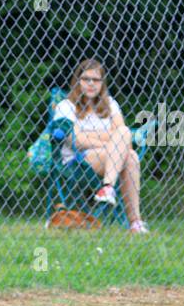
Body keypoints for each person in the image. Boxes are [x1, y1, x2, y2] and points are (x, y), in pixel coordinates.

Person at [53, 59, 148, 234]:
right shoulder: (65, 106)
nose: (91, 83)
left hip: (110, 159)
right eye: (86, 78)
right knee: (128, 152)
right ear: (78, 81)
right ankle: (129, 215)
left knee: (131, 153)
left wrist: (95, 137)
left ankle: (127, 212)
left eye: (96, 80)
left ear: (102, 83)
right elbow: (77, 140)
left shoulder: (110, 104)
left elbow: (122, 132)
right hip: (78, 161)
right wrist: (111, 141)